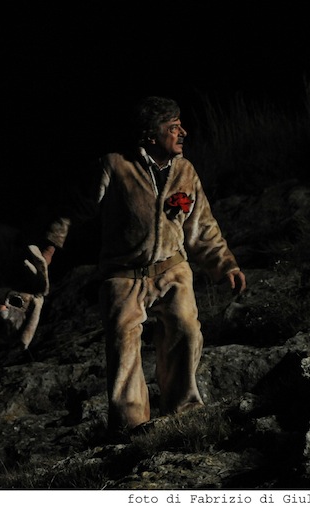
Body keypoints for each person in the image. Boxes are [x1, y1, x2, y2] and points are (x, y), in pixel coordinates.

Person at [38, 96, 246, 436]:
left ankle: (184, 414)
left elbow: (202, 226)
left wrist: (225, 265)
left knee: (186, 331)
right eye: (173, 127)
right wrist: (48, 249)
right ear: (150, 135)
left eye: (181, 125)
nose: (183, 132)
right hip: (123, 275)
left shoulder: (185, 171)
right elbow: (75, 211)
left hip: (172, 269)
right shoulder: (115, 165)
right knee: (123, 351)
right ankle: (130, 427)